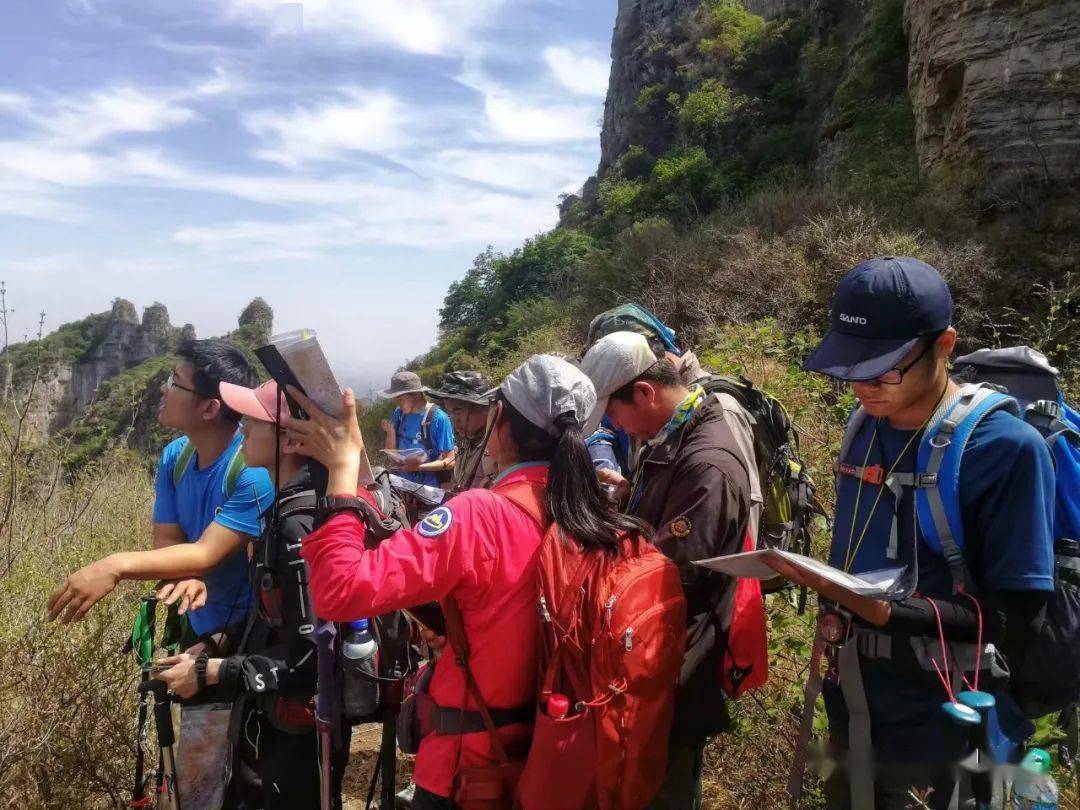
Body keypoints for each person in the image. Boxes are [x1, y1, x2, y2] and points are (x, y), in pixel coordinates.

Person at [282, 355, 647, 809]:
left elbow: (340, 592)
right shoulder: (601, 520)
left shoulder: (482, 515)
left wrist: (340, 478)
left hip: (472, 768)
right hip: (561, 754)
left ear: (501, 421)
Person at [798, 256, 1056, 809]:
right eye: (850, 368)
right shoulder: (863, 428)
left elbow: (1015, 616)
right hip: (853, 696)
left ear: (944, 345)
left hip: (943, 719)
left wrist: (890, 614)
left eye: (885, 368)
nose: (864, 387)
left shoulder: (1006, 450)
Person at [153, 379, 348, 810]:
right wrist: (216, 645)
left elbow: (310, 656)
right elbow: (275, 623)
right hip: (277, 726)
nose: (241, 433)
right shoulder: (285, 508)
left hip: (296, 738)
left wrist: (213, 672)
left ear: (289, 439)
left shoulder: (298, 523)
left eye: (254, 423)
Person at [580, 331, 755, 809]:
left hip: (679, 662)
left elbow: (673, 574)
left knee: (665, 786)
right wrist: (626, 495)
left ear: (644, 392)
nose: (619, 427)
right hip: (657, 657)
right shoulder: (673, 433)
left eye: (614, 414)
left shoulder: (707, 461)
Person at [47, 339, 273, 643]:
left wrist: (114, 566)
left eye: (175, 383)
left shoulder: (252, 472)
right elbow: (167, 541)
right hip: (193, 616)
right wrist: (190, 570)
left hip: (244, 633)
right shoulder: (175, 456)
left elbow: (207, 553)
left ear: (209, 408)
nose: (164, 389)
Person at [379, 370, 455, 488]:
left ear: (415, 395)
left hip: (427, 489)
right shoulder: (399, 414)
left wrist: (419, 467)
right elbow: (391, 457)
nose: (397, 403)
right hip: (400, 485)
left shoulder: (439, 419)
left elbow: (450, 461)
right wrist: (391, 433)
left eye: (400, 398)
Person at [426, 370, 496, 492]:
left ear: (485, 408)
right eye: (449, 412)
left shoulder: (499, 451)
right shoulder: (465, 443)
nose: (453, 421)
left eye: (458, 411)